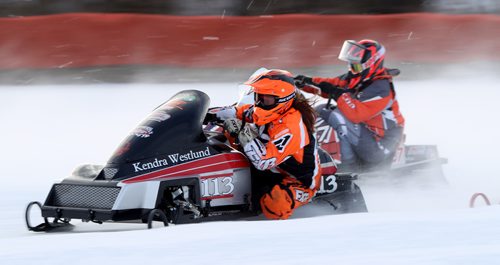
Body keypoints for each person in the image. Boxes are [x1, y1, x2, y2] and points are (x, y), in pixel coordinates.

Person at [213, 69, 322, 220]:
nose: (260, 102)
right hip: (276, 169)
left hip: (298, 180)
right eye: (259, 96)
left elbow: (263, 161)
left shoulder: (291, 126)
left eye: (267, 98)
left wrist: (243, 131)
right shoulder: (268, 109)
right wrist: (206, 114)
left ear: (282, 99)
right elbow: (237, 112)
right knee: (224, 138)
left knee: (275, 205)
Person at [294, 39, 405, 171]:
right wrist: (305, 82)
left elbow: (355, 115)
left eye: (356, 66)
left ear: (371, 64)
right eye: (350, 65)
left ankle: (347, 168)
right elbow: (331, 84)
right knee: (320, 111)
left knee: (335, 115)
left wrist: (337, 93)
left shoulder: (381, 88)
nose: (352, 70)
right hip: (367, 136)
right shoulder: (359, 78)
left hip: (381, 146)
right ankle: (313, 156)